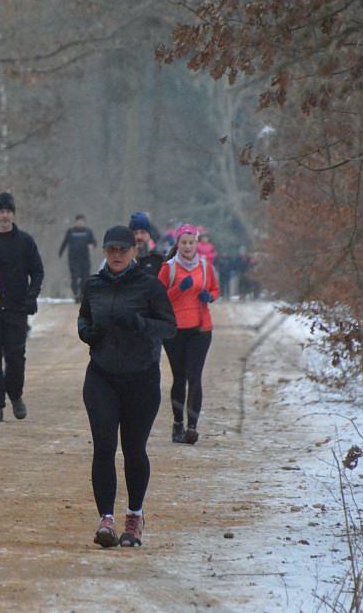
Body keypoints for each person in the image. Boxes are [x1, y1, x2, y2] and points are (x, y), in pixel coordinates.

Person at [78, 225, 177, 548]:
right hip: (102, 375)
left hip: (141, 378)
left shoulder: (149, 287)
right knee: (104, 446)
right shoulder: (93, 285)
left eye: (123, 249)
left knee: (134, 451)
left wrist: (140, 325)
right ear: (104, 252)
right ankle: (105, 519)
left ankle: (134, 517)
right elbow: (84, 319)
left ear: (135, 251)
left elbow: (169, 328)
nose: (117, 255)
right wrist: (86, 333)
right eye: (111, 250)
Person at [0, 192, 45, 423]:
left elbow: (37, 270)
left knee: (15, 358)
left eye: (8, 211)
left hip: (17, 309)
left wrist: (32, 296)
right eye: (0, 211)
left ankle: (16, 396)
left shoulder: (25, 241)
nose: (4, 215)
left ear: (13, 213)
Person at [157, 224, 220, 445]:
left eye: (191, 242)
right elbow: (160, 298)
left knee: (194, 378)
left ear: (196, 244)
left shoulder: (205, 267)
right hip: (174, 331)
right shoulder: (169, 268)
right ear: (177, 244)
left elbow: (215, 289)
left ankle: (192, 427)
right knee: (179, 378)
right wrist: (179, 289)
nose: (187, 246)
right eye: (183, 242)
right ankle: (177, 424)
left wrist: (209, 297)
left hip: (200, 329)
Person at [58, 214, 96, 303]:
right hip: (73, 259)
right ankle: (76, 293)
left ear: (84, 222)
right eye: (79, 221)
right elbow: (65, 242)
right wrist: (61, 252)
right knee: (74, 277)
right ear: (76, 222)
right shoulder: (71, 231)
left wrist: (92, 245)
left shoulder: (88, 232)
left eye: (82, 221)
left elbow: (93, 241)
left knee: (85, 278)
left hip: (85, 258)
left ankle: (82, 295)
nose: (80, 223)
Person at [129, 212, 165, 277]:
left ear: (149, 234)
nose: (139, 236)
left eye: (143, 232)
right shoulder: (124, 260)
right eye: (135, 233)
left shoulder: (158, 260)